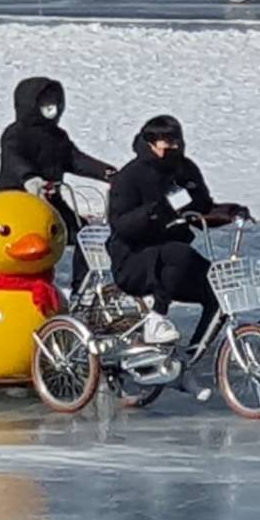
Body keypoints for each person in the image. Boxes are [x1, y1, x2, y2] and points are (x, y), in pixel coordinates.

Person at [106, 116, 247, 388]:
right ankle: (156, 319)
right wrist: (153, 213)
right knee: (178, 253)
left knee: (218, 290)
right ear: (150, 144)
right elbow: (120, 225)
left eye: (177, 140)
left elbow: (202, 206)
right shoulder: (130, 177)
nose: (174, 147)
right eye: (167, 142)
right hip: (133, 261)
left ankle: (188, 361)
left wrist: (230, 211)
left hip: (171, 261)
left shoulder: (184, 170)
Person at [0, 76, 115, 292]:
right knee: (23, 242)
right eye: (44, 102)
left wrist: (107, 172)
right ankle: (14, 281)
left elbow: (74, 159)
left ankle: (83, 286)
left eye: (54, 101)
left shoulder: (58, 136)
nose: (51, 107)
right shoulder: (15, 134)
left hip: (50, 197)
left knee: (82, 233)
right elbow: (13, 158)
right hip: (17, 200)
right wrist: (30, 177)